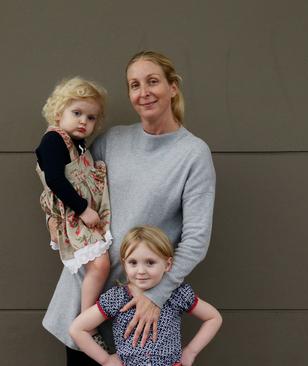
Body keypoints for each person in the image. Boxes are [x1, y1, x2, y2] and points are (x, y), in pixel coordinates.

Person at [43, 51, 216, 365]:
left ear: (173, 87)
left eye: (153, 82)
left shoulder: (193, 154)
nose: (143, 92)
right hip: (84, 298)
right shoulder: (112, 140)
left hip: (137, 308)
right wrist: (54, 221)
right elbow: (67, 185)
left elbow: (196, 240)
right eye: (135, 85)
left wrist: (155, 295)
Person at [70, 226, 222, 366]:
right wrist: (106, 360)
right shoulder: (117, 298)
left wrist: (191, 352)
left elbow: (213, 318)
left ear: (168, 264)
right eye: (133, 262)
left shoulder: (177, 294)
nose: (141, 270)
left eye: (150, 262)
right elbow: (77, 329)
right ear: (124, 264)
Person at [35, 77, 112, 334]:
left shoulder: (77, 143)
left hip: (81, 213)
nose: (83, 121)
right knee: (100, 265)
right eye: (77, 113)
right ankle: (86, 325)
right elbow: (55, 179)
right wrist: (83, 209)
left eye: (91, 118)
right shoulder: (53, 141)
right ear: (59, 113)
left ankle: (85, 320)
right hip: (73, 213)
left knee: (100, 266)